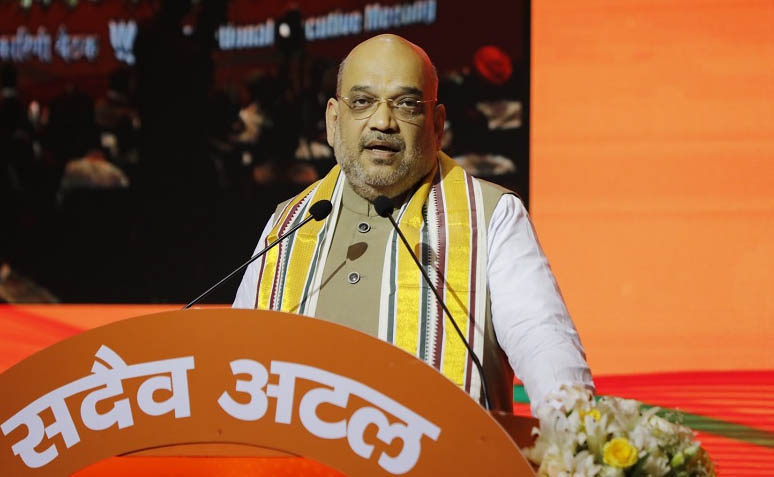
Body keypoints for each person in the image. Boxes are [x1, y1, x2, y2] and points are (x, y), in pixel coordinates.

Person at [234, 34, 593, 414]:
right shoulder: (289, 223)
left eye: (406, 104)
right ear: (333, 121)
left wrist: (573, 434)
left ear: (437, 126)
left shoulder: (492, 216)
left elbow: (548, 353)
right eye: (362, 102)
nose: (383, 122)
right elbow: (235, 365)